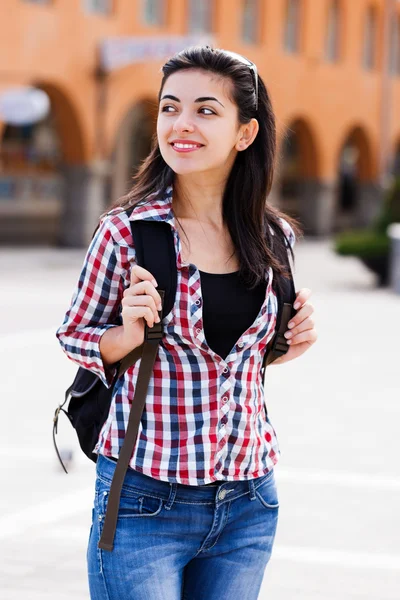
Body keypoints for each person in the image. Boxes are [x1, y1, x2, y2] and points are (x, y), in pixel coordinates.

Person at [56, 45, 317, 600]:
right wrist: (125, 338)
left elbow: (247, 355)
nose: (182, 125)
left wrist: (289, 344)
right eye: (169, 108)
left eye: (205, 110)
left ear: (244, 133)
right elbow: (75, 333)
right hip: (144, 499)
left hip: (250, 498)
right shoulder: (127, 232)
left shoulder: (274, 238)